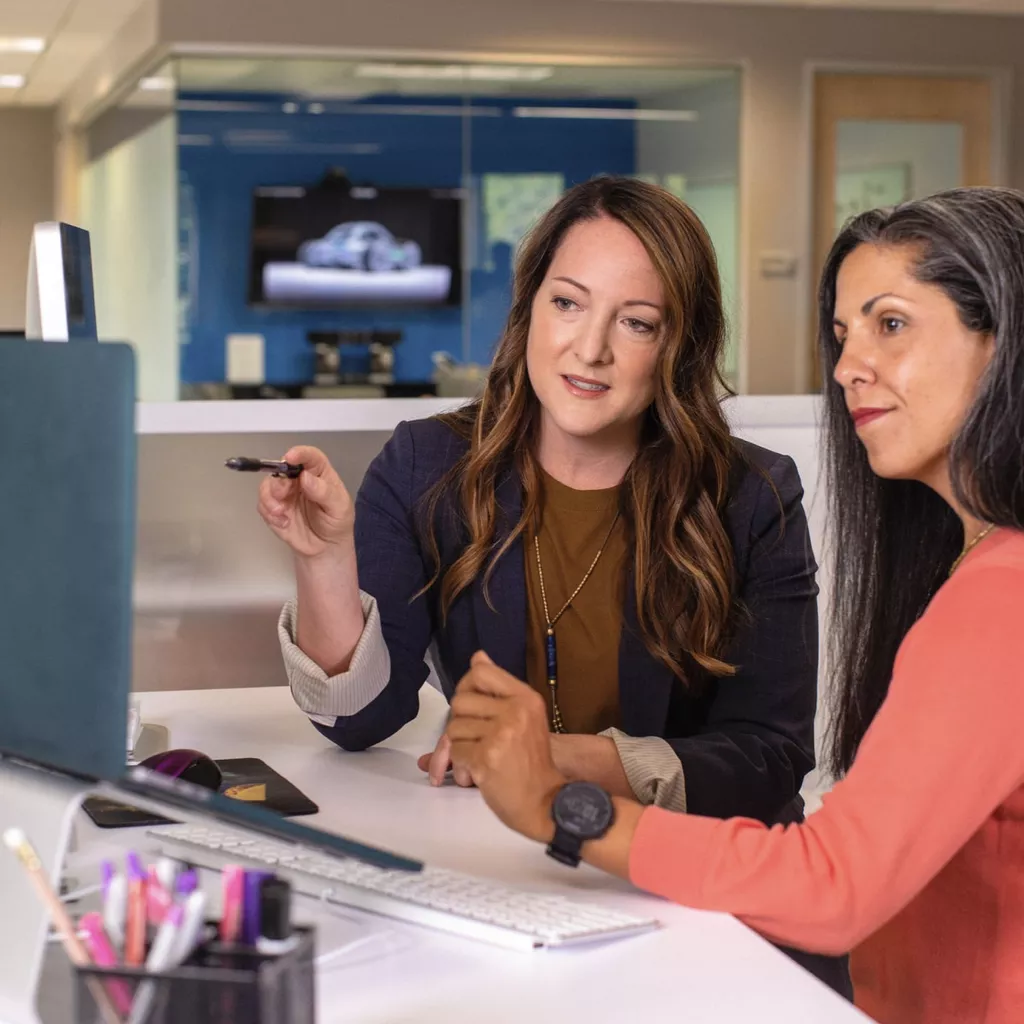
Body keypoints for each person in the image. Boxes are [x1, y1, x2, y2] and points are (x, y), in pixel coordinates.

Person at [445, 187, 1024, 1024]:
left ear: (1004, 342)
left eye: (890, 324)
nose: (849, 366)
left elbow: (831, 886)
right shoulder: (976, 569)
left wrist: (560, 810)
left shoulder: (1001, 596)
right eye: (842, 334)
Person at [258, 176, 848, 993]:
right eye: (568, 304)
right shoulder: (428, 465)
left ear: (680, 345)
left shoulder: (752, 494)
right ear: (530, 306)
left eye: (635, 323)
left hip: (700, 899)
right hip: (514, 886)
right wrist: (324, 558)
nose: (590, 348)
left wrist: (559, 764)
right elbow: (361, 719)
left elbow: (770, 757)